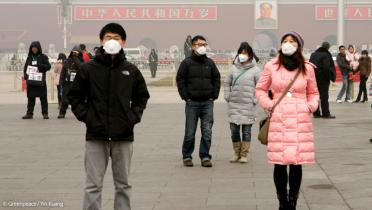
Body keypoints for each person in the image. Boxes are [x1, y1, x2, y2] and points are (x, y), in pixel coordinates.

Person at [67, 23, 150, 210]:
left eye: (116, 38)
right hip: (96, 135)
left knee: (123, 185)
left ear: (124, 42)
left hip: (123, 135)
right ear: (101, 41)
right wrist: (88, 117)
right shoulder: (88, 69)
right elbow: (75, 96)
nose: (112, 41)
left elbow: (141, 97)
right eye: (108, 37)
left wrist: (132, 118)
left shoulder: (131, 70)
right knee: (93, 185)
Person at [255, 31, 319, 210]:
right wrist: (269, 104)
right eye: (285, 41)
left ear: (299, 45)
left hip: (300, 119)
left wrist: (310, 107)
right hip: (279, 119)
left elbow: (314, 92)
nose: (288, 44)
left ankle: (293, 202)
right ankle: (282, 202)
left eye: (292, 41)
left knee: (297, 163)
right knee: (279, 163)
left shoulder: (307, 68)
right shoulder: (271, 66)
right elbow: (260, 89)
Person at [176, 35, 221, 167]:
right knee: (190, 132)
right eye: (199, 44)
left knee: (207, 131)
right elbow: (180, 80)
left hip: (207, 102)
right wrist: (186, 96)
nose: (202, 47)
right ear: (193, 46)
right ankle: (187, 156)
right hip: (192, 103)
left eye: (204, 44)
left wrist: (214, 95)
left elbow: (216, 79)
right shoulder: (186, 63)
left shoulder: (210, 63)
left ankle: (205, 156)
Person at [224, 42, 260, 163]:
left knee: (246, 131)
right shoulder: (233, 68)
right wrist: (227, 96)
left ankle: (244, 154)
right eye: (241, 52)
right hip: (234, 104)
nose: (242, 55)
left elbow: (260, 86)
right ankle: (236, 152)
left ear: (250, 55)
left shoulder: (255, 70)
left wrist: (255, 99)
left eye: (245, 53)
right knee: (234, 130)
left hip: (248, 105)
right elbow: (226, 83)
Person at [22, 41, 51, 119]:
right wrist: (25, 75)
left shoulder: (43, 57)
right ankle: (29, 113)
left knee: (43, 98)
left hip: (40, 81)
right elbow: (25, 67)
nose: (34, 49)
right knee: (31, 98)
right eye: (32, 48)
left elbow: (48, 66)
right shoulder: (29, 57)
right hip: (31, 82)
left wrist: (40, 66)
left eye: (35, 48)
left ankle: (45, 113)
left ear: (38, 48)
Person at [309, 42, 336, 118]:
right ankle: (325, 113)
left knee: (315, 96)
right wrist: (329, 78)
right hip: (323, 79)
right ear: (328, 48)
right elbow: (326, 68)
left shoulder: (313, 54)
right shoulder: (326, 55)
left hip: (313, 78)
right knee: (324, 96)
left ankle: (316, 113)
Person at [57, 46, 84, 119]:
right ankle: (62, 113)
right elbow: (63, 72)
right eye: (74, 52)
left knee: (78, 100)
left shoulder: (81, 61)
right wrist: (61, 82)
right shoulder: (67, 61)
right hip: (67, 83)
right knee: (65, 100)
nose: (75, 54)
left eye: (76, 52)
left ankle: (80, 114)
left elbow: (81, 67)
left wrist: (76, 59)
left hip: (77, 84)